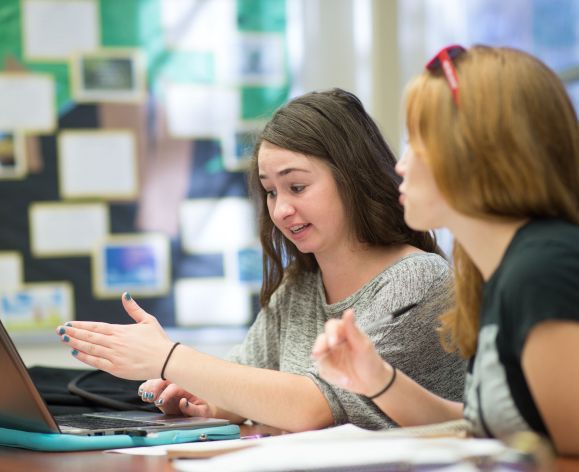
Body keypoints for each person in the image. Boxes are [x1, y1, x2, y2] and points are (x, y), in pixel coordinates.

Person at [55, 88, 465, 432]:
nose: (281, 209)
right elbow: (247, 377)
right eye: (271, 192)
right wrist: (210, 401)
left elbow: (315, 405)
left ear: (354, 178)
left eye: (297, 186)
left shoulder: (417, 279)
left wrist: (170, 358)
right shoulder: (299, 285)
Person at [312, 46, 579, 455]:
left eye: (416, 142)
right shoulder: (500, 269)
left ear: (475, 150)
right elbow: (484, 427)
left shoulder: (543, 269)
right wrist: (376, 380)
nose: (400, 165)